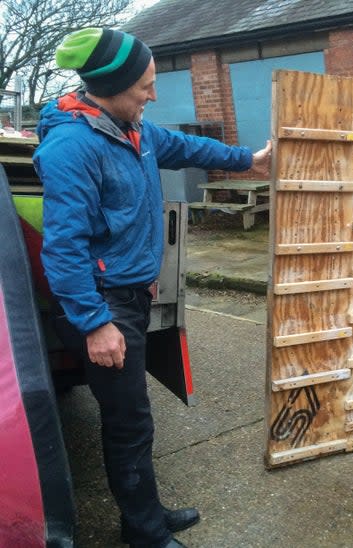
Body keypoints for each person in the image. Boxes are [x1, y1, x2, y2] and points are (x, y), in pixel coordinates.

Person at [33, 28, 272, 548]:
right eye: (144, 84)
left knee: (134, 418)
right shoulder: (72, 147)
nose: (153, 94)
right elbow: (63, 249)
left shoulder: (132, 128)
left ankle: (145, 514)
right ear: (112, 86)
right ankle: (143, 533)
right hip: (104, 301)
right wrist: (95, 324)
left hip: (132, 294)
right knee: (129, 421)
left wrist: (248, 159)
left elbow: (185, 145)